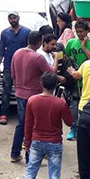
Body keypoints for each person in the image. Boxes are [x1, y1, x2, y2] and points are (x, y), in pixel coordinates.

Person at [19, 72, 72, 179]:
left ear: (41, 84)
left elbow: (28, 124)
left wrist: (27, 142)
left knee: (31, 172)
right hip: (54, 142)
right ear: (56, 85)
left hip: (36, 141)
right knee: (54, 175)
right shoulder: (60, 103)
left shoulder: (32, 100)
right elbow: (69, 121)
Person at [10, 32, 56, 163]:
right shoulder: (37, 58)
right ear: (39, 43)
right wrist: (56, 58)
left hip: (20, 94)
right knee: (34, 126)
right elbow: (51, 73)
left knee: (21, 124)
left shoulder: (17, 53)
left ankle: (15, 153)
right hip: (34, 95)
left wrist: (18, 87)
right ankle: (30, 157)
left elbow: (12, 74)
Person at [0, 12, 30, 126]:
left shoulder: (26, 32)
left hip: (23, 67)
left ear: (18, 18)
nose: (12, 20)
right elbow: (1, 50)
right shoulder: (5, 33)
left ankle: (23, 115)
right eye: (10, 18)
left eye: (14, 17)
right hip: (8, 66)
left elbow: (30, 49)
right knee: (6, 90)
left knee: (22, 91)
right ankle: (4, 113)